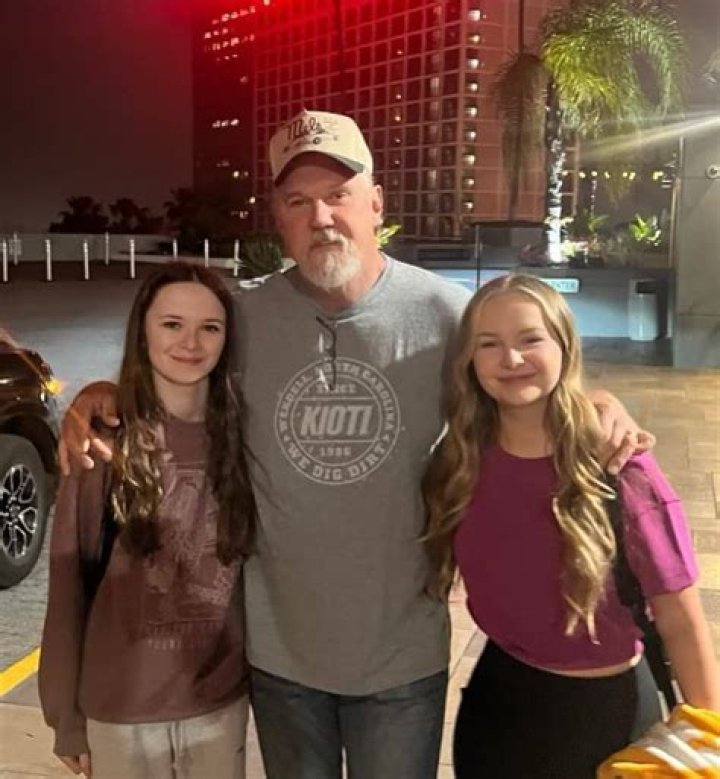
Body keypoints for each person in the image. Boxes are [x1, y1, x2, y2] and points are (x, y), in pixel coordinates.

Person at [59, 110, 652, 779]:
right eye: (298, 201)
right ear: (278, 219)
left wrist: (598, 404)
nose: (321, 217)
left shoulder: (446, 314)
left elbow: (525, 385)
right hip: (281, 658)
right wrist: (100, 395)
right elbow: (172, 367)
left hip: (402, 656)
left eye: (338, 195)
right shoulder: (243, 315)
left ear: (376, 204)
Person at [423, 273, 719, 779]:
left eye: (530, 339)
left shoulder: (618, 467)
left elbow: (681, 620)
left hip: (606, 715)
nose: (511, 359)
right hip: (497, 705)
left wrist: (707, 743)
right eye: (489, 344)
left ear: (565, 345)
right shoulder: (460, 463)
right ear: (469, 360)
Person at [40, 262, 256, 779]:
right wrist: (66, 718)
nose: (191, 343)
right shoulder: (101, 442)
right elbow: (69, 583)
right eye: (172, 324)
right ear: (143, 331)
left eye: (210, 327)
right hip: (121, 710)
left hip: (218, 704)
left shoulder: (247, 437)